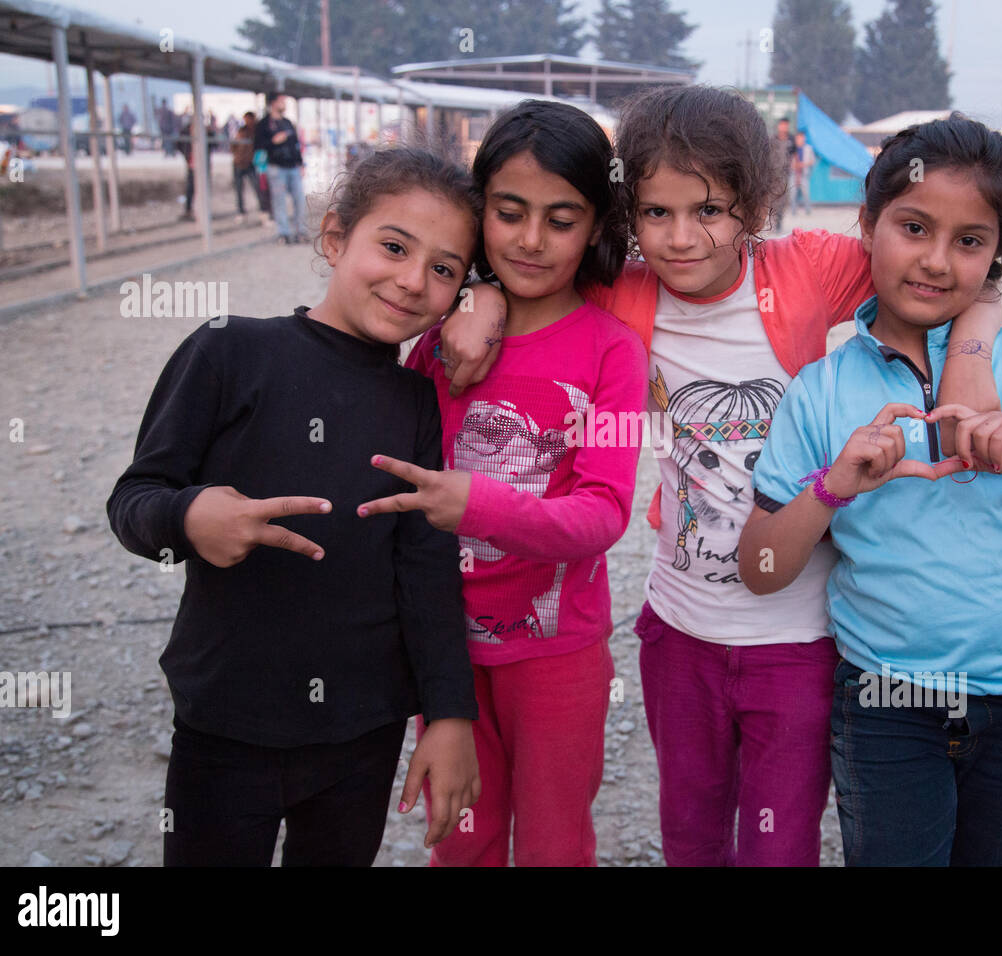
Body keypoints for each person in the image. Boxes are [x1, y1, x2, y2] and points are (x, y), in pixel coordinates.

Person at [436, 84, 1002, 867]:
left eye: (708, 210)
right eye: (656, 213)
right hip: (677, 631)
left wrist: (971, 362)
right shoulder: (623, 287)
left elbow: (949, 272)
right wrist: (482, 296)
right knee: (692, 837)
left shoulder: (805, 270)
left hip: (797, 634)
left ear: (754, 208)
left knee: (778, 846)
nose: (680, 238)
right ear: (628, 213)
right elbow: (531, 269)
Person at [739, 112, 1002, 867]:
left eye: (970, 241)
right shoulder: (820, 390)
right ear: (867, 226)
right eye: (913, 226)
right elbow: (761, 571)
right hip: (888, 704)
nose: (935, 261)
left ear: (998, 254)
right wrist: (832, 489)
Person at [106, 148, 483, 865]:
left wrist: (450, 713)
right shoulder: (230, 351)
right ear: (336, 236)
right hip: (227, 722)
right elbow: (134, 500)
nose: (412, 281)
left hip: (362, 732)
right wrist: (189, 519)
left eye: (444, 269)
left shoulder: (414, 402)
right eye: (394, 246)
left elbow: (426, 566)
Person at [377, 101, 647, 867]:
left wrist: (480, 504)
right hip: (442, 651)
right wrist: (473, 295)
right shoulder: (436, 341)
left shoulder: (612, 352)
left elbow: (604, 512)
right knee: (461, 841)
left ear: (596, 226)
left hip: (557, 655)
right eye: (509, 212)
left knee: (557, 844)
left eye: (561, 219)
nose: (531, 240)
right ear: (479, 210)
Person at [255, 92, 308, 243]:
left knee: (299, 199)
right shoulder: (264, 124)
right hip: (276, 167)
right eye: (281, 101)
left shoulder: (287, 122)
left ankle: (300, 232)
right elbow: (258, 146)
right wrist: (273, 141)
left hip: (292, 166)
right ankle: (283, 233)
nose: (284, 103)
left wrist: (300, 163)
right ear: (273, 103)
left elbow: (296, 145)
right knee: (279, 201)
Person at [230, 111, 260, 217]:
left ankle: (262, 209)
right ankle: (240, 210)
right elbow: (233, 146)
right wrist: (237, 156)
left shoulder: (256, 132)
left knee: (257, 187)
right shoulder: (241, 131)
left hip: (250, 164)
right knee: (238, 188)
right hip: (238, 163)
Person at [772, 116, 797, 232]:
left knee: (783, 199)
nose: (784, 127)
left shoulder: (791, 139)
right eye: (782, 125)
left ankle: (779, 221)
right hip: (773, 175)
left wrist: (796, 171)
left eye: (786, 125)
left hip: (785, 175)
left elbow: (795, 156)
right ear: (778, 126)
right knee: (772, 199)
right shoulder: (773, 139)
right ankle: (774, 219)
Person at [792, 129, 815, 216]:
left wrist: (803, 164)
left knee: (806, 193)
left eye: (802, 137)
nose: (800, 139)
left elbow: (812, 161)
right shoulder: (792, 148)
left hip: (804, 174)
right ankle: (793, 212)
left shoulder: (808, 148)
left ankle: (808, 211)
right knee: (792, 193)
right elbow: (788, 161)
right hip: (794, 174)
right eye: (798, 138)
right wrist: (793, 165)